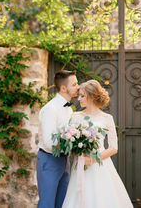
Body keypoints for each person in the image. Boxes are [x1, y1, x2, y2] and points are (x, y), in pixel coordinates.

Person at [62, 80, 133, 208]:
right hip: (81, 164)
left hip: (101, 166)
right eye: (79, 95)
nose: (79, 99)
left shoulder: (107, 118)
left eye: (82, 96)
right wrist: (77, 152)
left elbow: (113, 148)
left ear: (92, 96)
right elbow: (69, 141)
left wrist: (92, 159)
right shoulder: (75, 116)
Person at [37, 70, 79, 208]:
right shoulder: (50, 109)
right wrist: (71, 146)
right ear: (63, 88)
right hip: (49, 160)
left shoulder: (69, 109)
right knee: (47, 203)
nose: (78, 87)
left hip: (64, 160)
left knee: (63, 202)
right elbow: (49, 143)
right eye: (74, 84)